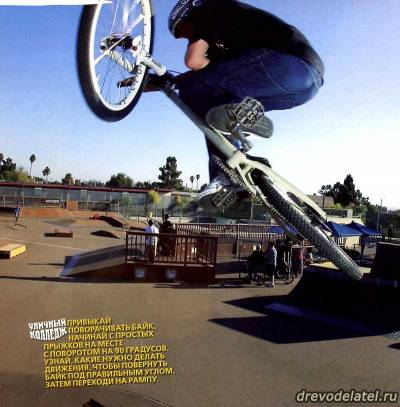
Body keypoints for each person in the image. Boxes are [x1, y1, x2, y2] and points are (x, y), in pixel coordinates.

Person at [167, 0, 324, 209]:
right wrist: (151, 83)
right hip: (305, 85)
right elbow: (213, 72)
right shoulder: (224, 42)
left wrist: (178, 82)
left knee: (194, 91)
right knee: (213, 96)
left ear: (189, 14)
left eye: (183, 31)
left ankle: (225, 173)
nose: (187, 38)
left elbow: (193, 62)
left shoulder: (211, 9)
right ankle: (240, 146)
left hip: (285, 61)